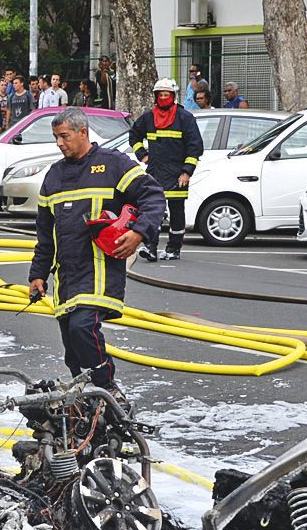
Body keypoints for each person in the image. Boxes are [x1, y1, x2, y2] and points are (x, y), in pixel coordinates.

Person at [28, 107, 166, 392]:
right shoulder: (53, 176)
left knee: (82, 328)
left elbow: (152, 196)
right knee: (72, 348)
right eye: (55, 137)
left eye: (64, 136)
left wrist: (139, 233)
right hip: (67, 278)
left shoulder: (113, 164)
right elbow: (45, 234)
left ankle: (107, 389)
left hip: (99, 272)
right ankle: (88, 406)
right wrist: (37, 274)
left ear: (83, 132)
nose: (59, 143)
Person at [128, 77, 205, 263]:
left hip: (178, 175)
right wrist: (143, 155)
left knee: (176, 212)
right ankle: (151, 248)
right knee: (153, 210)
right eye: (160, 95)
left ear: (173, 96)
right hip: (155, 172)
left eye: (166, 95)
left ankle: (174, 248)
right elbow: (134, 135)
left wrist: (186, 172)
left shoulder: (184, 118)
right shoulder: (148, 117)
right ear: (155, 96)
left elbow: (195, 147)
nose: (163, 98)